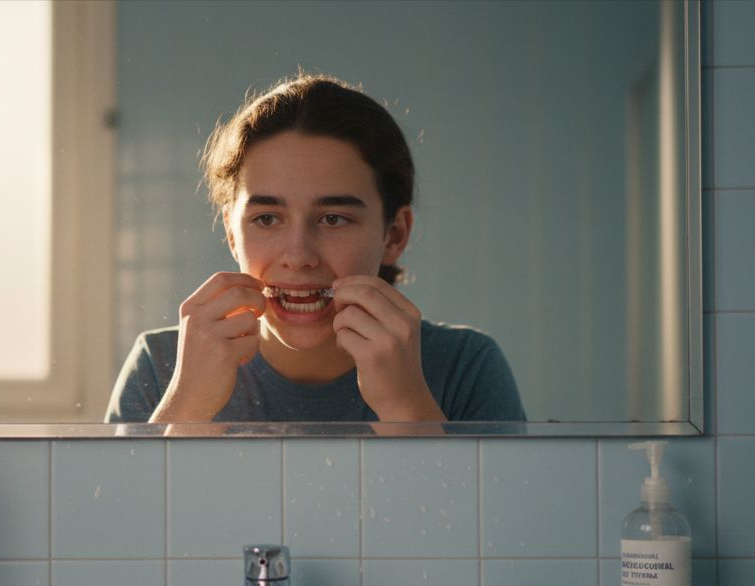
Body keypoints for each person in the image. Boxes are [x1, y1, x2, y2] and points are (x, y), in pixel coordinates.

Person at [106, 73, 524, 423]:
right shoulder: (160, 367)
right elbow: (119, 521)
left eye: (333, 219)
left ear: (394, 235)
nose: (299, 255)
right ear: (232, 235)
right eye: (267, 219)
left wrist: (406, 406)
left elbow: (489, 521)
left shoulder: (466, 367)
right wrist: (187, 406)